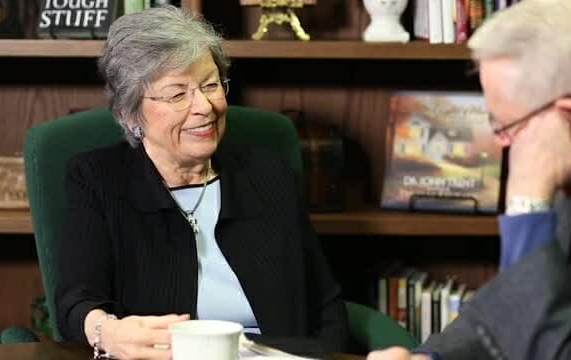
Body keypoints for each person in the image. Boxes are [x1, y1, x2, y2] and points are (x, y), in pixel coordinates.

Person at [54, 6, 349, 360]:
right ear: (131, 113)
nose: (205, 107)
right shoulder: (97, 180)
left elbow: (326, 304)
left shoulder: (267, 173)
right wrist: (108, 332)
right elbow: (75, 302)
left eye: (210, 85)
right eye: (178, 94)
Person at [368, 0, 571, 359]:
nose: (500, 144)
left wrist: (527, 202)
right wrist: (431, 358)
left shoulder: (548, 175)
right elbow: (513, 301)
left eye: (506, 127)